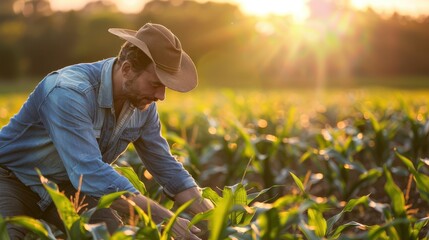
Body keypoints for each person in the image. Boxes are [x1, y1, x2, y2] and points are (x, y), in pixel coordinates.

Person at [0, 23, 213, 239]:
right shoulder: (69, 92)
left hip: (71, 190)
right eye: (156, 83)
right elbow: (88, 170)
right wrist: (166, 218)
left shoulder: (143, 104)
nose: (161, 95)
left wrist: (217, 218)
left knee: (113, 235)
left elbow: (166, 166)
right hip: (14, 180)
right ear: (127, 69)